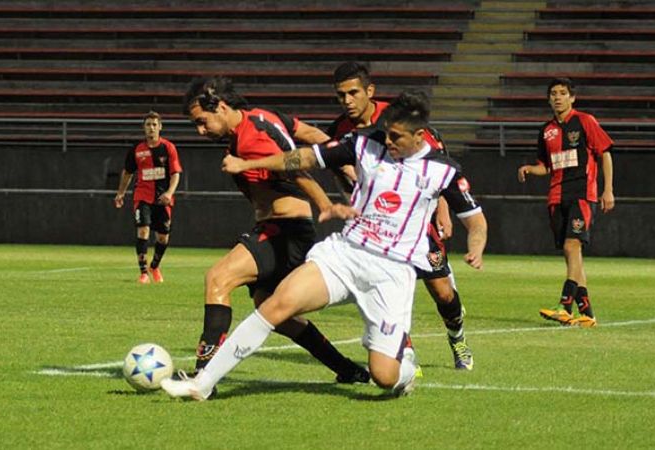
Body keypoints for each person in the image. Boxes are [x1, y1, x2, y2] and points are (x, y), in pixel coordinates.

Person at [162, 90, 488, 400]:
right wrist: (247, 165)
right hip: (345, 254)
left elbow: (475, 221)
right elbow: (305, 156)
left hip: (391, 272)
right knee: (276, 305)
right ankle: (202, 384)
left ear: (419, 136)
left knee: (384, 375)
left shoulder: (444, 171)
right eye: (386, 133)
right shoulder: (364, 143)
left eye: (396, 137)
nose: (387, 141)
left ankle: (405, 370)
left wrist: (476, 247)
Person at [175, 76, 369, 389]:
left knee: (218, 279)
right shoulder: (264, 117)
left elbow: (294, 169)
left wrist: (325, 204)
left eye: (202, 121)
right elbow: (311, 133)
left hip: (284, 229)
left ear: (221, 107)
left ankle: (203, 375)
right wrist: (343, 162)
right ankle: (346, 369)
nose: (200, 131)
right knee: (274, 311)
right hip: (286, 228)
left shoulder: (250, 138)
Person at [326, 61, 475, 370]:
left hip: (416, 222)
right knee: (382, 289)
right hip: (375, 226)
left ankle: (457, 337)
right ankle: (403, 354)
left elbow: (437, 167)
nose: (347, 101)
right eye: (341, 95)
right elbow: (339, 174)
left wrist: (443, 211)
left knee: (443, 292)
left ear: (369, 91)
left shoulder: (399, 118)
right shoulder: (339, 131)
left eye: (353, 93)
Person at [517, 77, 615, 328]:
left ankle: (564, 306)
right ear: (549, 99)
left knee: (572, 246)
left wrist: (608, 190)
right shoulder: (546, 130)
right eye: (553, 93)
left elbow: (605, 154)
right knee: (572, 254)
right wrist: (530, 169)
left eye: (562, 93)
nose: (558, 97)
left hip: (582, 194)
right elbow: (546, 166)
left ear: (572, 97)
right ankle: (587, 313)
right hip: (556, 196)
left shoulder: (585, 121)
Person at [114, 110, 181, 284]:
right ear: (143, 127)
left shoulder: (168, 148)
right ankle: (143, 273)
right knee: (143, 230)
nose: (151, 128)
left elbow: (175, 173)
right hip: (142, 196)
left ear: (160, 127)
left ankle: (154, 266)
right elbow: (128, 173)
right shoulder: (136, 149)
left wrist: (169, 193)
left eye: (154, 124)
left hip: (163, 198)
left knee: (163, 237)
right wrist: (121, 193)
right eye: (148, 124)